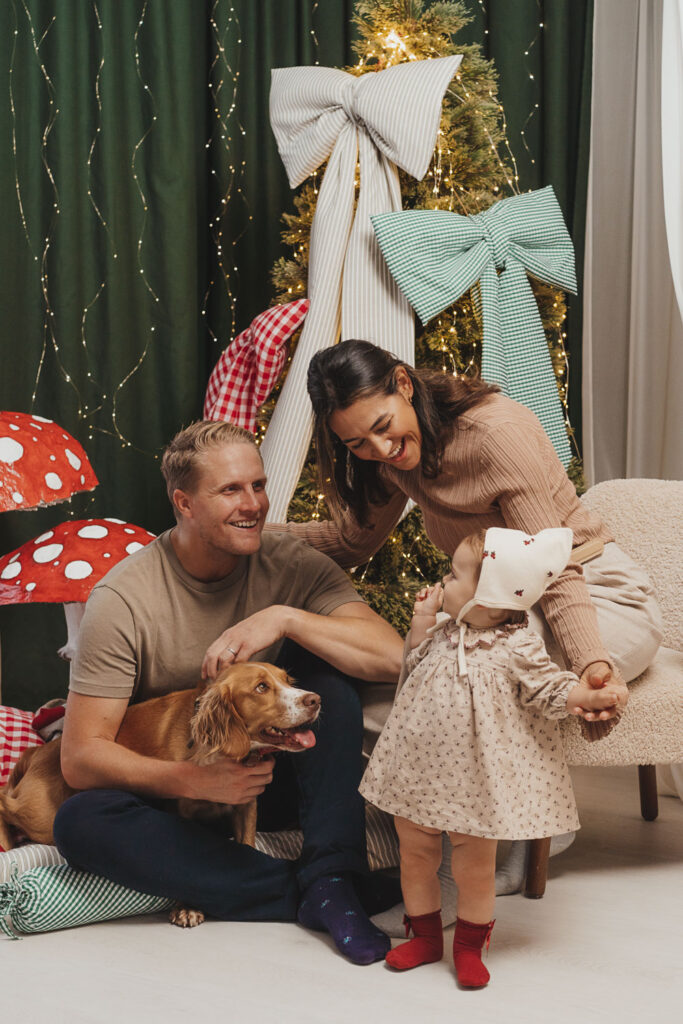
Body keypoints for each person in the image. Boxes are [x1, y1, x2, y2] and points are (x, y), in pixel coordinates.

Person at [268, 338, 663, 894]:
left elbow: (554, 570)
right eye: (357, 442)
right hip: (502, 610)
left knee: (480, 680)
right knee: (402, 694)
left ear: (403, 384)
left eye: (383, 425)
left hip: (598, 594)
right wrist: (249, 534)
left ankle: (527, 827)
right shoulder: (394, 457)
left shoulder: (495, 439)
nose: (380, 448)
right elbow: (351, 542)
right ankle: (444, 826)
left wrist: (592, 661)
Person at [53, 420, 404, 965]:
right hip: (172, 795)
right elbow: (79, 758)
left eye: (258, 485)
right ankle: (318, 892)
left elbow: (393, 657)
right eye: (231, 490)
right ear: (185, 504)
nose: (254, 504)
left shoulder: (293, 565)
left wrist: (285, 619)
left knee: (323, 673)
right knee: (80, 823)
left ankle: (331, 871)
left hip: (275, 774)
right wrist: (193, 779)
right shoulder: (122, 599)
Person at [360, 526, 624, 988]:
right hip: (418, 772)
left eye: (455, 575)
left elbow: (548, 687)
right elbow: (413, 665)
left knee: (474, 869)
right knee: (416, 856)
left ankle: (468, 947)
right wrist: (421, 623)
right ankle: (423, 936)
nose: (444, 581)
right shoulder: (445, 630)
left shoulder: (518, 645)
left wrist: (584, 694)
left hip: (475, 785)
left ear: (489, 597)